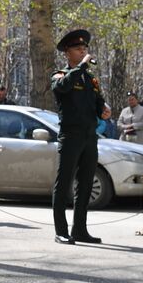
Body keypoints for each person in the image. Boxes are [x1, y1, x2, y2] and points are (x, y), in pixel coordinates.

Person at [51, 28, 103, 244]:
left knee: (85, 185)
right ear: (67, 53)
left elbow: (98, 104)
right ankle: (61, 231)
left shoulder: (91, 79)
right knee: (63, 184)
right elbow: (62, 88)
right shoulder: (60, 75)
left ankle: (79, 229)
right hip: (70, 136)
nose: (83, 52)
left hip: (90, 136)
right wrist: (81, 67)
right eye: (78, 49)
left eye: (85, 49)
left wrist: (104, 109)